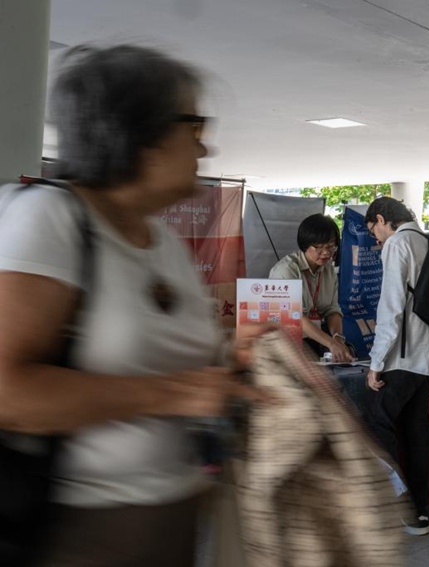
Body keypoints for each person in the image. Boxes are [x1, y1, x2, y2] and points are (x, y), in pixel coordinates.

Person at [0, 45, 269, 565]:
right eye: (194, 127)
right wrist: (173, 393)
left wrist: (237, 357)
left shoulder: (161, 240)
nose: (205, 148)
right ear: (139, 135)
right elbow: (9, 393)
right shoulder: (50, 219)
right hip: (78, 530)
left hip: (170, 519)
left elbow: (185, 369)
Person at [363, 196, 429, 536]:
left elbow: (391, 308)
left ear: (383, 219)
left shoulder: (398, 244)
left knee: (374, 423)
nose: (377, 239)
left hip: (400, 356)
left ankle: (395, 502)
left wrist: (376, 362)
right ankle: (418, 511)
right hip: (426, 358)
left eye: (375, 231)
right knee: (417, 431)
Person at [269, 214, 353, 362]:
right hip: (285, 344)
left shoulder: (328, 270)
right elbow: (294, 317)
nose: (326, 253)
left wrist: (338, 338)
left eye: (331, 246)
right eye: (319, 247)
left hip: (314, 340)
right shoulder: (286, 270)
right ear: (305, 245)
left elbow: (332, 310)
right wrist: (331, 343)